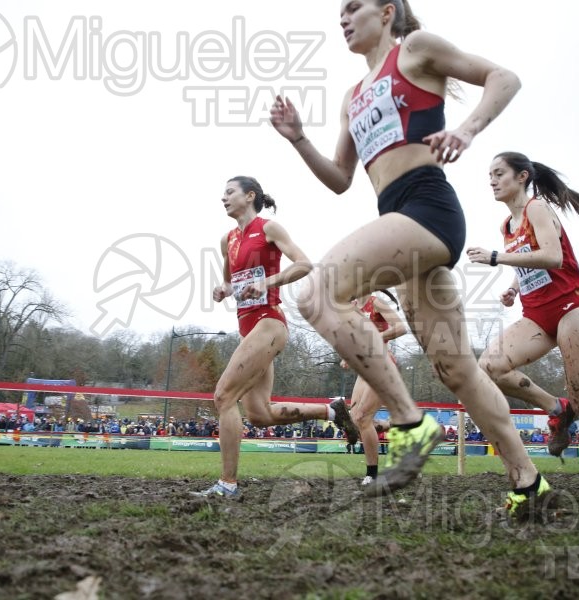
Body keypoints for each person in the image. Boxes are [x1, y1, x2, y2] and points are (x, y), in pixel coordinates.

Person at [271, 0, 551, 515]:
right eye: (339, 11)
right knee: (457, 369)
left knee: (316, 293)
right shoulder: (352, 97)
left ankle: (408, 421)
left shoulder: (415, 50)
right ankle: (528, 482)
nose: (342, 16)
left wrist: (466, 131)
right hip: (399, 220)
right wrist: (299, 140)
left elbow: (504, 78)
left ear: (386, 12)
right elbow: (339, 179)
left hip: (428, 206)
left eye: (353, 6)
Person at [467, 151, 579, 497]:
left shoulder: (537, 208)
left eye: (499, 173)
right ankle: (554, 407)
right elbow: (530, 263)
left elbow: (552, 256)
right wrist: (513, 288)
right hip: (536, 313)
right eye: (489, 174)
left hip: (571, 308)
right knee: (490, 365)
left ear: (522, 177)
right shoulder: (506, 226)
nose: (491, 180)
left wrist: (495, 257)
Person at [193, 176, 359, 498]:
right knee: (258, 414)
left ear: (249, 195)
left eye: (230, 192)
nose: (223, 198)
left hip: (269, 324)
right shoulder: (227, 239)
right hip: (248, 331)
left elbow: (304, 264)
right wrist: (222, 289)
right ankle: (332, 411)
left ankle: (227, 485)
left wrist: (268, 283)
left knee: (224, 397)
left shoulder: (269, 229)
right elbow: (230, 281)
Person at [340, 290, 408, 485]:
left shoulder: (377, 303)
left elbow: (401, 328)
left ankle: (372, 474)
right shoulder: (351, 307)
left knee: (362, 417)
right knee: (356, 420)